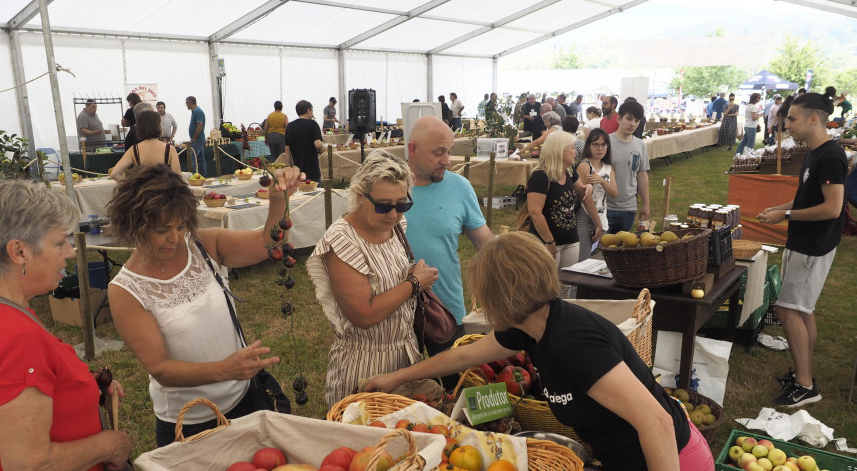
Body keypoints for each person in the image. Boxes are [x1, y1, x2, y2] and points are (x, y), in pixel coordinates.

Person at [365, 231, 714, 471]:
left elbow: (656, 422)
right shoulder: (531, 328)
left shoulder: (572, 342)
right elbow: (461, 357)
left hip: (673, 460)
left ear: (500, 300)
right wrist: (395, 377)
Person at [0, 180, 131, 470]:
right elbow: (29, 463)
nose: (70, 252)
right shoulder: (17, 338)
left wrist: (82, 387)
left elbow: (0, 385)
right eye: (60, 242)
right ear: (19, 252)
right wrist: (110, 445)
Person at [107, 164, 305, 445]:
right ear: (134, 225)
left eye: (180, 225)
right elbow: (161, 369)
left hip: (246, 399)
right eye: (162, 229)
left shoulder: (204, 245)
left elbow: (266, 243)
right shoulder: (126, 290)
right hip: (189, 423)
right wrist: (225, 369)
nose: (175, 238)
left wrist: (277, 202)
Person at [306, 153, 439, 406]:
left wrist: (411, 274)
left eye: (402, 205)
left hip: (405, 358)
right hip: (365, 367)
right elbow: (363, 315)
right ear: (359, 197)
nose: (393, 215)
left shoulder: (396, 226)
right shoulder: (342, 242)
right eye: (383, 205)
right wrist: (414, 284)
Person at [757, 93, 847, 407]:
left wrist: (787, 215)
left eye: (793, 119)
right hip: (804, 241)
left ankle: (806, 385)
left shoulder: (830, 156)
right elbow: (806, 199)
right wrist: (780, 208)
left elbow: (833, 208)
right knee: (802, 309)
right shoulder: (814, 153)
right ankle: (802, 374)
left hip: (814, 245)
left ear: (813, 118)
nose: (787, 125)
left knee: (787, 308)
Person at [405, 116, 493, 374]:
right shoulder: (386, 187)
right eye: (439, 152)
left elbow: (486, 244)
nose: (447, 160)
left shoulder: (459, 187)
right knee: (397, 398)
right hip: (392, 315)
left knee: (459, 391)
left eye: (449, 152)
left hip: (446, 311)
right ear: (413, 149)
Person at [524, 131, 583, 291]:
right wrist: (549, 242)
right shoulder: (541, 176)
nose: (576, 151)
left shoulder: (569, 171)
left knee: (566, 288)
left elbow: (581, 192)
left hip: (571, 239)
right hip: (548, 242)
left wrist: (589, 187)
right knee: (546, 289)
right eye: (572, 147)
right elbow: (535, 212)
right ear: (560, 150)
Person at [606, 100, 650, 234]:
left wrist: (646, 204)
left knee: (622, 249)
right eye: (629, 119)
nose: (632, 124)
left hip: (628, 208)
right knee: (600, 251)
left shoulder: (640, 145)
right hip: (605, 207)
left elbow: (642, 174)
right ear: (619, 118)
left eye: (636, 120)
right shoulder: (605, 142)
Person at [575, 128, 618, 262]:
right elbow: (585, 198)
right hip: (585, 215)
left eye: (603, 145)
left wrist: (602, 181)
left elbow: (614, 194)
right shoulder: (584, 165)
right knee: (583, 259)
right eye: (596, 144)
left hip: (602, 216)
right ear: (589, 146)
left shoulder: (608, 167)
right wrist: (597, 223)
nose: (600, 148)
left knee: (600, 259)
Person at [110, 110, 181, 181]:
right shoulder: (169, 149)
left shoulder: (134, 149)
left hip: (142, 191)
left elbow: (114, 174)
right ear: (158, 126)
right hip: (165, 190)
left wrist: (132, 184)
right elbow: (178, 178)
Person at [284, 100, 325, 182]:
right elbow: (318, 144)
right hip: (312, 169)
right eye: (312, 110)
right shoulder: (313, 124)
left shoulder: (290, 126)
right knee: (315, 191)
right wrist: (323, 151)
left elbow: (287, 149)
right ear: (308, 110)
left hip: (297, 170)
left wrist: (289, 167)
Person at [186, 96, 206, 175]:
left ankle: (194, 175)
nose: (186, 105)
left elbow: (200, 125)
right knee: (201, 159)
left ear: (190, 103)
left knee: (193, 158)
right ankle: (203, 175)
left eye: (187, 103)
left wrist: (194, 138)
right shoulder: (194, 111)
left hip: (197, 140)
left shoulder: (198, 112)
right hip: (198, 139)